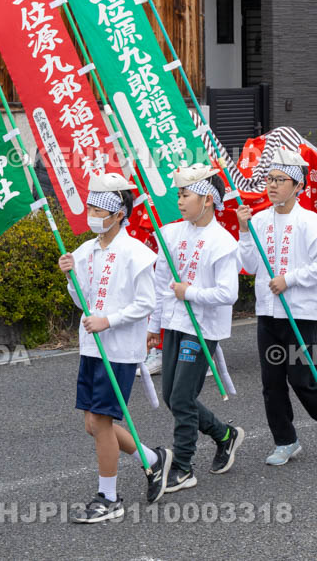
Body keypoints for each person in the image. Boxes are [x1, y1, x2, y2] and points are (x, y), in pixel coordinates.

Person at [57, 172, 173, 523]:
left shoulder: (137, 253)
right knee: (92, 424)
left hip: (119, 349)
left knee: (102, 422)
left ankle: (109, 497)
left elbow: (145, 302)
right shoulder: (85, 251)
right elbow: (82, 300)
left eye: (97, 208)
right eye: (89, 207)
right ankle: (152, 460)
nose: (91, 214)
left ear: (118, 213)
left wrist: (109, 320)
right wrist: (70, 277)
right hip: (91, 347)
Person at [236, 147, 317, 466]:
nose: (271, 185)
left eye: (279, 180)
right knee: (271, 381)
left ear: (298, 186)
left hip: (300, 312)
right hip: (268, 311)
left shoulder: (311, 222)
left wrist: (290, 279)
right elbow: (248, 262)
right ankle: (285, 440)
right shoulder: (258, 220)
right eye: (268, 179)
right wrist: (244, 232)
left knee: (301, 377)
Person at [147, 164, 244, 493]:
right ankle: (225, 434)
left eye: (185, 194)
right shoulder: (171, 234)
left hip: (202, 328)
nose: (180, 200)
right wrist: (153, 324)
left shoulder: (222, 242)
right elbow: (161, 282)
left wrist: (190, 292)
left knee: (182, 396)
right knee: (172, 397)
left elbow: (228, 294)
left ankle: (184, 466)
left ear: (207, 200)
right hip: (174, 322)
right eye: (179, 194)